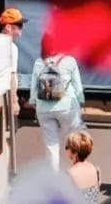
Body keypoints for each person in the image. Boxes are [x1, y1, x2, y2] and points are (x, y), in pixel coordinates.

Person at [32, 37, 85, 171]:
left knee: (51, 146)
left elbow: (34, 87)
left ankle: (54, 179)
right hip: (67, 107)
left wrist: (33, 102)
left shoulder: (39, 62)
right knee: (73, 141)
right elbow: (77, 86)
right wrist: (81, 101)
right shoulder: (69, 60)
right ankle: (76, 172)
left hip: (44, 108)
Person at [0, 7, 24, 123]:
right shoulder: (10, 47)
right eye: (19, 26)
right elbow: (11, 76)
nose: (21, 31)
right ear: (8, 27)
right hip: (1, 98)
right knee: (4, 136)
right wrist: (14, 101)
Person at [66, 131, 103, 203]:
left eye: (67, 147)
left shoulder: (69, 174)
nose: (66, 150)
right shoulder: (95, 170)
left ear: (75, 153)